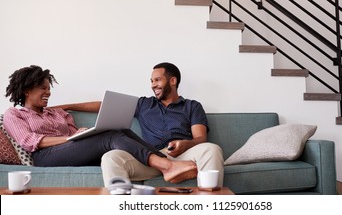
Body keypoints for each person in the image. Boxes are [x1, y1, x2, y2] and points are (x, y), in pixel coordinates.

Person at [3, 65, 197, 184]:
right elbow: (29, 141)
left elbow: (74, 133)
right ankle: (167, 166)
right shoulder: (14, 114)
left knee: (119, 129)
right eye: (43, 89)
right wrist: (70, 138)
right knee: (110, 137)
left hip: (72, 152)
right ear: (27, 90)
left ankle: (168, 162)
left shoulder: (59, 113)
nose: (49, 93)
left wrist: (83, 133)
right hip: (45, 158)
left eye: (49, 88)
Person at [101, 62, 224, 187]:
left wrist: (186, 144)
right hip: (150, 159)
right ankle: (119, 204)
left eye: (157, 80)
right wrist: (78, 108)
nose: (153, 85)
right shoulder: (143, 104)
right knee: (111, 157)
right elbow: (107, 105)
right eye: (151, 81)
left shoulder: (192, 106)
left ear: (173, 80)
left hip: (183, 157)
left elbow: (201, 138)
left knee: (211, 149)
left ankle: (210, 202)